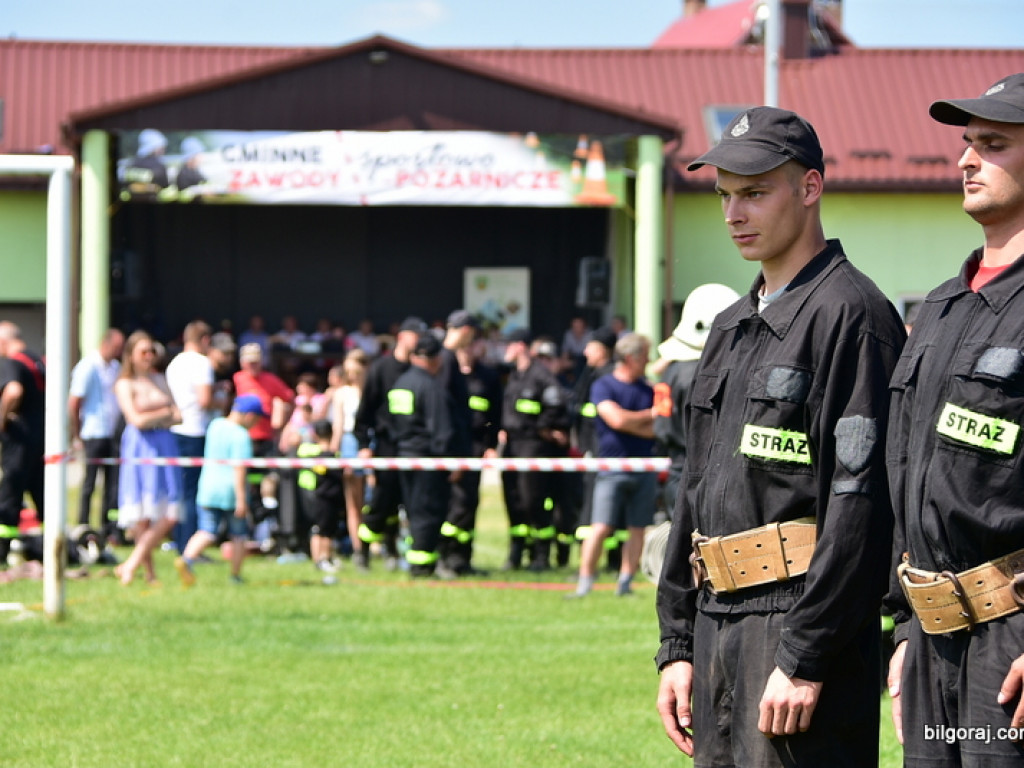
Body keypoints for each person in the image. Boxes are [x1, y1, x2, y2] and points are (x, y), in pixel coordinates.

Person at [654, 106, 906, 766]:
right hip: (717, 627)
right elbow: (695, 490)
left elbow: (860, 507)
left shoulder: (853, 315)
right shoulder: (731, 325)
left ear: (811, 187)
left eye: (756, 193)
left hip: (796, 630)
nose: (735, 214)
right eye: (725, 197)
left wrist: (806, 654)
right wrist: (675, 645)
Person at [885, 73, 1024, 768]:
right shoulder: (939, 307)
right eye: (966, 144)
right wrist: (907, 626)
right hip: (931, 637)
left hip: (1012, 639)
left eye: (991, 144)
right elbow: (906, 475)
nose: (965, 159)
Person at [569, 333, 656, 598]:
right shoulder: (603, 385)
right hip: (612, 468)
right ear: (632, 358)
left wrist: (634, 422)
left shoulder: (648, 388)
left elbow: (657, 430)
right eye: (645, 356)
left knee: (637, 528)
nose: (649, 361)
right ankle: (584, 582)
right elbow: (615, 420)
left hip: (643, 468)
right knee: (601, 527)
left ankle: (625, 583)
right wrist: (648, 416)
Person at [651, 283, 739, 513]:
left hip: (677, 470)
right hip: (703, 474)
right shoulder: (706, 375)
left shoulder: (673, 371)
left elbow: (661, 425)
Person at [353, 317, 426, 570]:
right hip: (387, 447)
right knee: (381, 502)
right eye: (416, 336)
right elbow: (365, 412)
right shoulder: (381, 369)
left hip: (415, 447)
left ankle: (394, 551)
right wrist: (364, 444)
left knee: (408, 502)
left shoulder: (420, 370)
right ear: (403, 337)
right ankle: (362, 552)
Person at [113, 330, 183, 585]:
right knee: (143, 513)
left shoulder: (160, 379)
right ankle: (148, 573)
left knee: (170, 512)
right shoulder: (124, 383)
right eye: (143, 351)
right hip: (140, 447)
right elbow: (136, 420)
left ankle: (130, 564)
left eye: (152, 351)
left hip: (164, 444)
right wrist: (162, 413)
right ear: (131, 355)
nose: (148, 356)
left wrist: (157, 416)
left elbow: (179, 415)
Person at [175, 393, 265, 587]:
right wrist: (242, 500)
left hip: (207, 488)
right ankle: (235, 576)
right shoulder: (241, 435)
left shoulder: (215, 425)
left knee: (206, 531)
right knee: (239, 535)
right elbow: (239, 469)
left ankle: (187, 559)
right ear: (249, 416)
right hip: (230, 493)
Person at [500, 328, 570, 572]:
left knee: (533, 501)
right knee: (514, 501)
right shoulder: (515, 376)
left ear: (520, 346)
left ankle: (541, 556)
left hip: (533, 445)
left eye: (507, 345)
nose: (504, 350)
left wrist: (543, 428)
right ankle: (517, 554)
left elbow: (556, 402)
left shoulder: (540, 375)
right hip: (511, 446)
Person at [387, 332, 456, 578]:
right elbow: (442, 429)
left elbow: (391, 424)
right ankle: (422, 566)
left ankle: (416, 561)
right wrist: (448, 461)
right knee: (429, 512)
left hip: (404, 456)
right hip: (427, 460)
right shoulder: (430, 387)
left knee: (414, 511)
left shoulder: (401, 384)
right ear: (435, 359)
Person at [440, 311, 502, 576]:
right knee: (453, 503)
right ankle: (446, 556)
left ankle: (462, 558)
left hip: (474, 445)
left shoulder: (487, 376)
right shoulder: (447, 367)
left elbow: (495, 414)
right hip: (454, 447)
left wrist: (490, 445)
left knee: (468, 503)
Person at [68, 328, 124, 541]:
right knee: (89, 482)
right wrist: (77, 434)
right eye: (117, 347)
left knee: (113, 483)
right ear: (106, 343)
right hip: (93, 432)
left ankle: (109, 527)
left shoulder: (115, 367)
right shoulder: (88, 366)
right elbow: (74, 402)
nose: (118, 352)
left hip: (111, 433)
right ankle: (83, 524)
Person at [570, 326, 619, 567]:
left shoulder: (607, 378)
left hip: (602, 453)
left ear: (602, 351)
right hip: (591, 450)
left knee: (596, 506)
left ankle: (605, 561)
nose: (586, 351)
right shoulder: (591, 375)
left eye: (590, 347)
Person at [164, 320, 215, 555]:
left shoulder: (174, 363)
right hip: (194, 431)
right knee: (193, 492)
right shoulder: (202, 363)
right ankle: (189, 545)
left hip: (176, 431)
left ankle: (179, 540)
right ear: (204, 340)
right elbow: (204, 401)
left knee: (180, 490)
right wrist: (222, 400)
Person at [0, 322, 46, 564]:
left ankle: (2, 550)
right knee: (42, 495)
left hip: (18, 441)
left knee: (10, 496)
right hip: (40, 440)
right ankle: (51, 548)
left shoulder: (12, 362)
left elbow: (13, 392)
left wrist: (2, 419)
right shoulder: (37, 362)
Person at [329, 352, 369, 566]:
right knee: (353, 501)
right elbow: (338, 426)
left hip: (370, 443)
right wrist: (334, 452)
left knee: (371, 499)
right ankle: (358, 548)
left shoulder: (372, 390)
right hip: (349, 443)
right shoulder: (342, 393)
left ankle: (376, 543)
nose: (352, 375)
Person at [296, 419, 344, 581]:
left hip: (324, 497)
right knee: (322, 530)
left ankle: (326, 557)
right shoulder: (322, 455)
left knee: (327, 530)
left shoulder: (312, 452)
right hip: (322, 498)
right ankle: (320, 559)